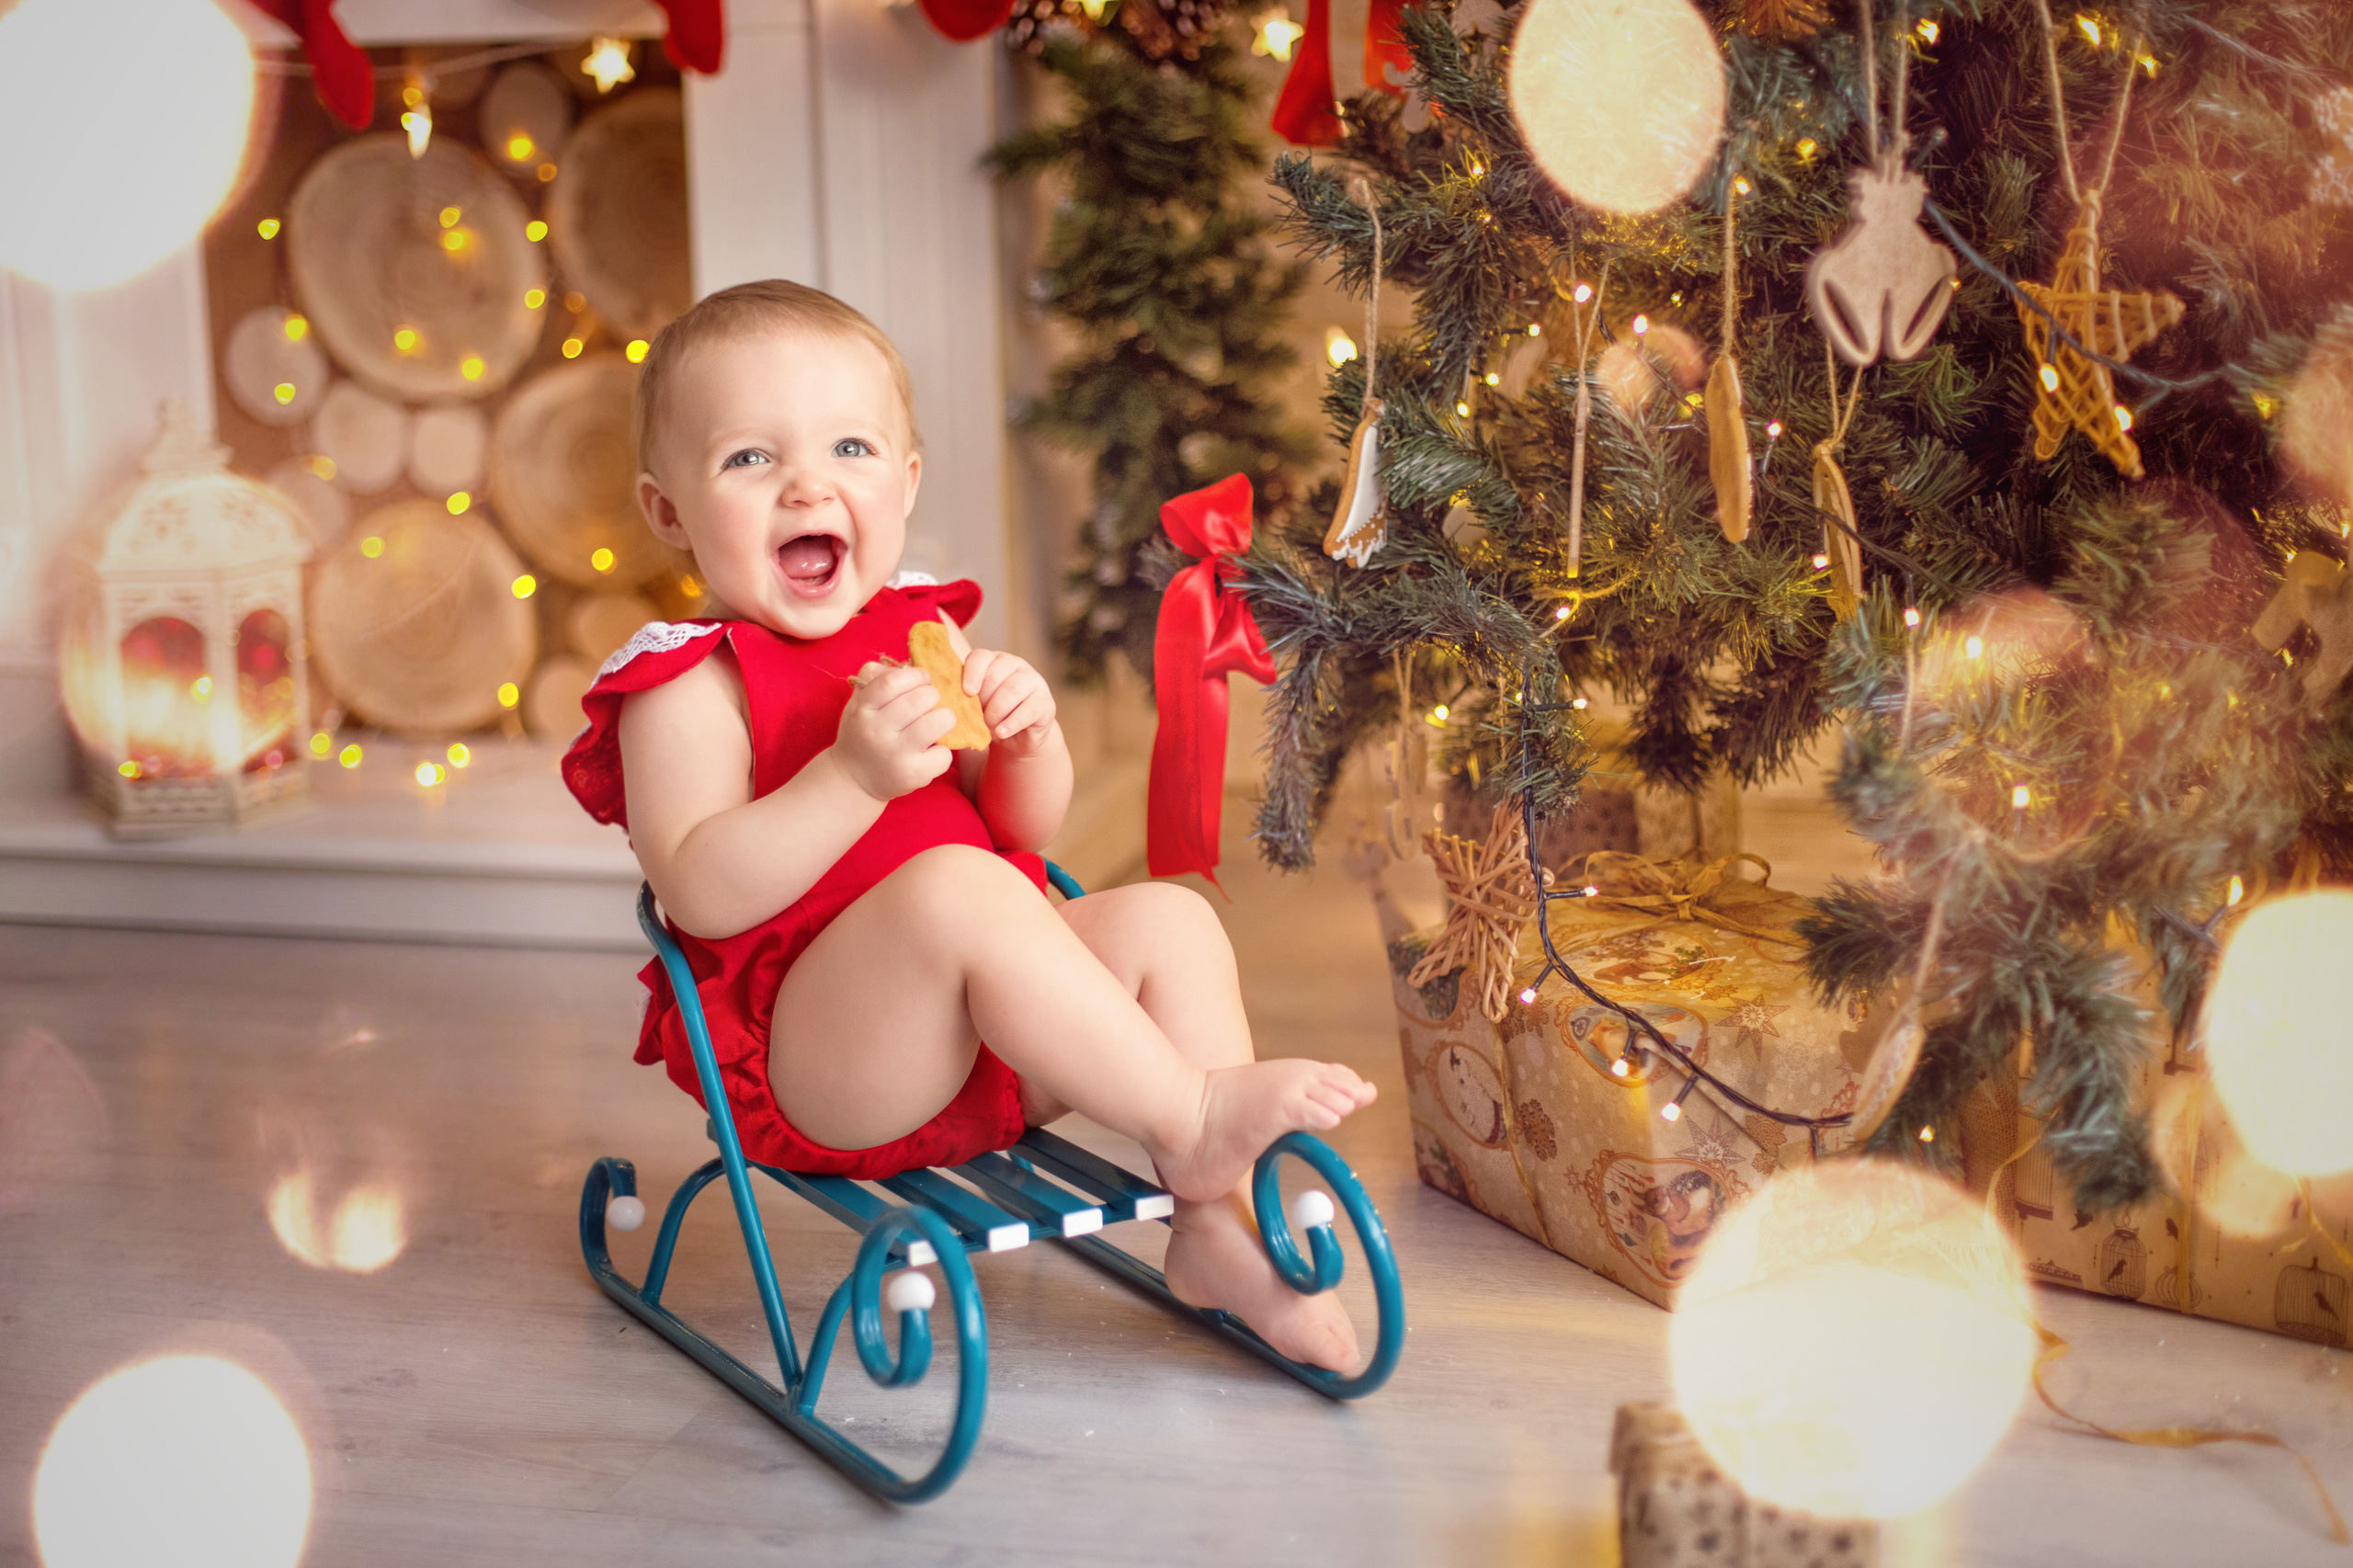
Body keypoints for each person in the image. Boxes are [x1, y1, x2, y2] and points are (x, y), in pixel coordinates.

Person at [563, 280, 1375, 1371]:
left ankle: (1217, 1228)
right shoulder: (688, 684)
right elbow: (698, 887)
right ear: (671, 513)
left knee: (1170, 919)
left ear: (902, 484)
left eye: (849, 446)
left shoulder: (918, 631)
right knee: (957, 888)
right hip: (839, 1074)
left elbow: (1019, 838)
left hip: (998, 1050)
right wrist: (850, 777)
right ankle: (1190, 1121)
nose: (807, 482)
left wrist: (1030, 743)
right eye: (749, 459)